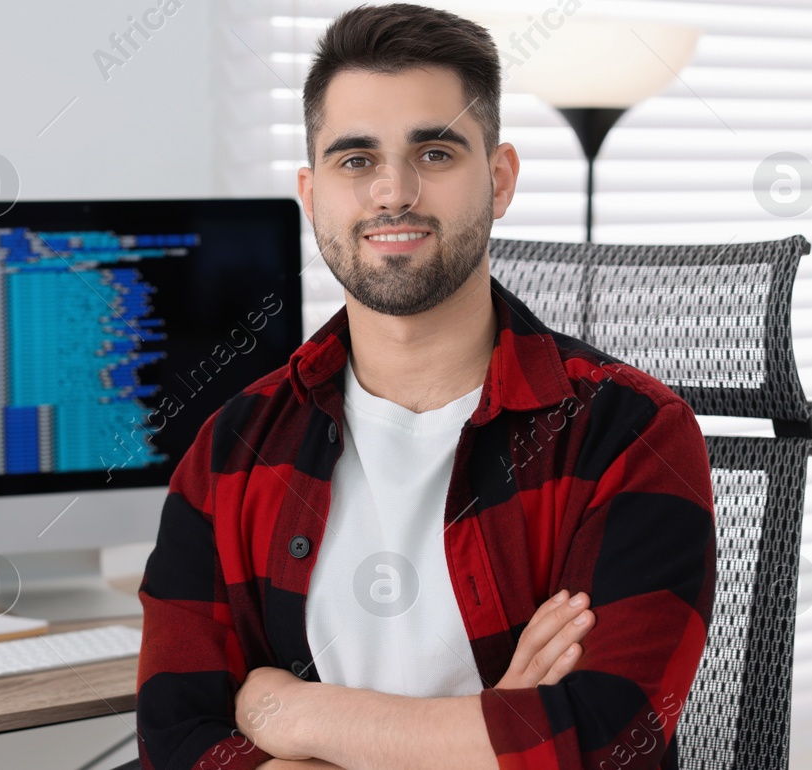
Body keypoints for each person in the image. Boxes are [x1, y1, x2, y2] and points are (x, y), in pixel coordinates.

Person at [133, 4, 716, 769]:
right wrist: (490, 729)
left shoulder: (630, 433)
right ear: (312, 195)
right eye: (355, 160)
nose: (393, 192)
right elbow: (176, 738)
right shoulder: (233, 448)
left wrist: (297, 713)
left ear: (499, 179)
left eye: (435, 154)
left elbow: (603, 741)